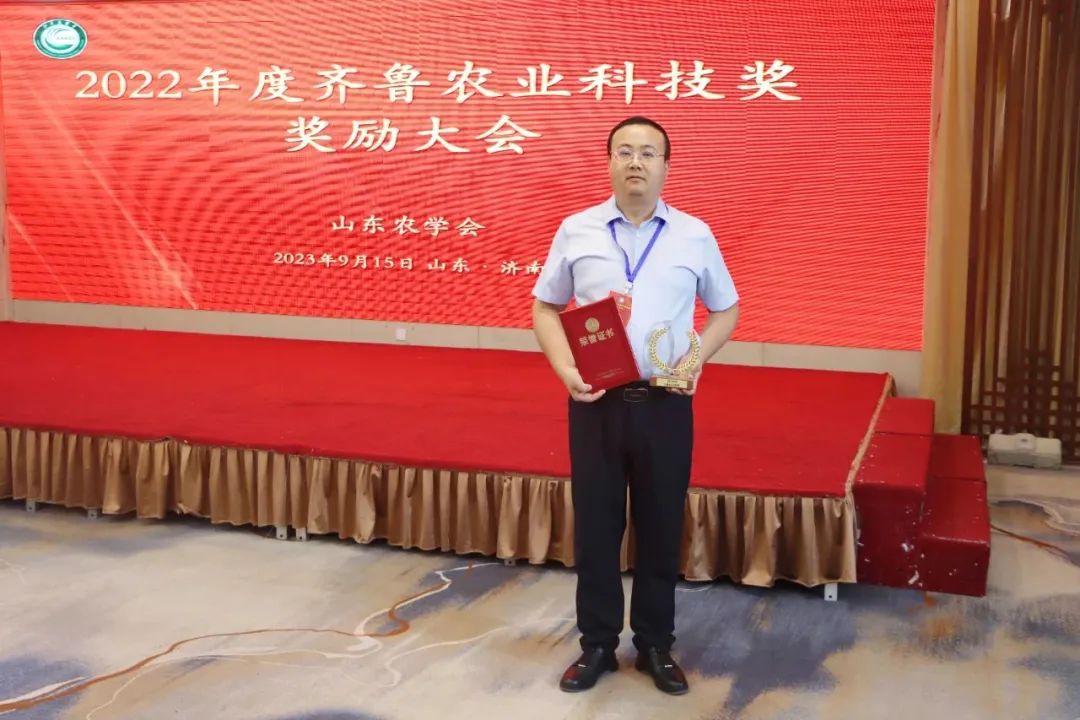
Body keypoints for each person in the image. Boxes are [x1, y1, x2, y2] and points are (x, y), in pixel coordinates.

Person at [530, 116, 739, 695]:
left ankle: (654, 643)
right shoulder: (577, 229)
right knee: (596, 528)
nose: (636, 162)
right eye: (624, 151)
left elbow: (726, 309)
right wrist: (566, 370)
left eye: (649, 152)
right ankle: (596, 644)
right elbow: (545, 307)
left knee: (660, 525)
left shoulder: (694, 234)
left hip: (665, 403)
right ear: (609, 163)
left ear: (666, 166)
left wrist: (696, 358)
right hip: (596, 403)